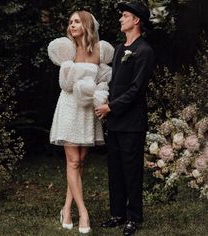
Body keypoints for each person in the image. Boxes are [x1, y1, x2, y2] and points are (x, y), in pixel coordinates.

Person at [47, 10, 114, 234]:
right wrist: (79, 81)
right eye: (71, 22)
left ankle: (66, 208)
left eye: (77, 21)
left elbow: (103, 81)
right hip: (69, 106)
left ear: (86, 25)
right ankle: (83, 212)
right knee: (73, 161)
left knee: (81, 161)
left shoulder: (100, 50)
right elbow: (65, 84)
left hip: (87, 110)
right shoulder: (67, 50)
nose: (72, 25)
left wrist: (99, 95)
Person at [95, 1, 154, 235]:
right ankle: (117, 213)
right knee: (115, 169)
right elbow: (114, 83)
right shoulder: (120, 49)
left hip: (132, 122)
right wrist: (102, 99)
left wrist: (110, 107)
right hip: (116, 120)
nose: (121, 19)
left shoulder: (145, 51)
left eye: (125, 15)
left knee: (131, 171)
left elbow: (136, 89)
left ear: (136, 20)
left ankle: (134, 217)